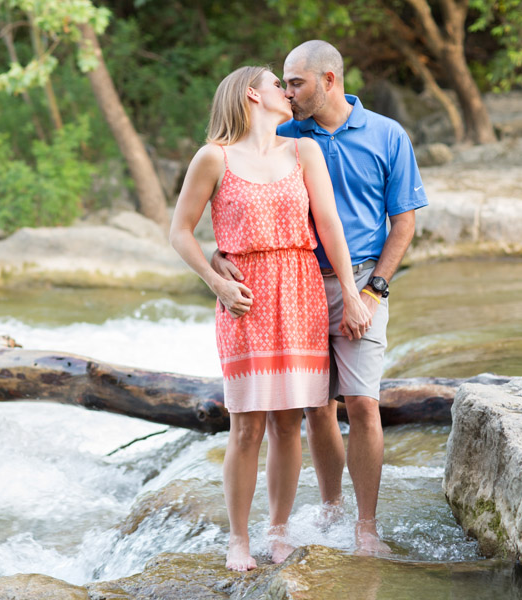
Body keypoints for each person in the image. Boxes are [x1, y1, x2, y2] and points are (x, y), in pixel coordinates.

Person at [211, 41, 428, 555]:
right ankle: (331, 511)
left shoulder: (386, 135)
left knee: (363, 403)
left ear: (329, 79)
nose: (287, 92)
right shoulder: (284, 133)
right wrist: (217, 259)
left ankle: (366, 526)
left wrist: (372, 290)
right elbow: (241, 204)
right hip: (298, 285)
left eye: (296, 83)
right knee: (314, 408)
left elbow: (405, 221)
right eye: (282, 84)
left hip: (362, 282)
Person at [169, 65, 371, 572]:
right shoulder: (213, 158)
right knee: (245, 427)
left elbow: (329, 227)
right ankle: (239, 540)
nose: (286, 90)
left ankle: (276, 532)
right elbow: (180, 231)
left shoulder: (304, 151)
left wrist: (351, 292)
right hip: (246, 299)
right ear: (251, 95)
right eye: (276, 83)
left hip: (302, 289)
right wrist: (217, 281)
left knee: (288, 423)